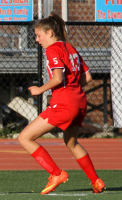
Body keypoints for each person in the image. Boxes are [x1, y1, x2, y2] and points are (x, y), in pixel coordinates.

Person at [18, 12, 105, 195]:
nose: (37, 39)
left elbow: (57, 78)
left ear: (49, 33)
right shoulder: (70, 47)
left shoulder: (53, 49)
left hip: (64, 103)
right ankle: (96, 180)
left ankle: (56, 174)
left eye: (39, 35)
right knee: (71, 142)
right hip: (80, 101)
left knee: (25, 137)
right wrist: (72, 88)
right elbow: (87, 77)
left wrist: (40, 89)